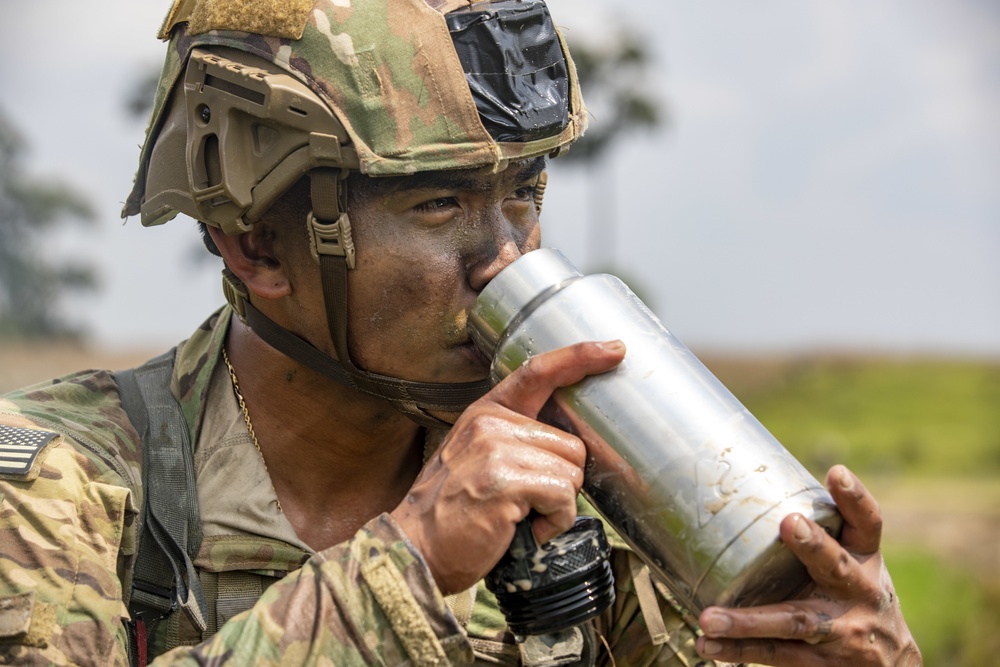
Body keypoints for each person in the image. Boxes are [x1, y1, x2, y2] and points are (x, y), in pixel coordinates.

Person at [0, 0, 921, 665]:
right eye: (439, 205)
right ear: (256, 247)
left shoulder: (579, 487)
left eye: (524, 192)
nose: (507, 258)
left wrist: (848, 648)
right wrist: (406, 566)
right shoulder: (60, 482)